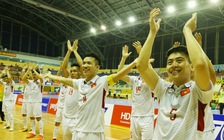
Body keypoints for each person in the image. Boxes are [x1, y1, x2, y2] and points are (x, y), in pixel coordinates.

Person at [137, 8, 214, 140]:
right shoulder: (163, 88)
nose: (173, 65)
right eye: (169, 62)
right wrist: (152, 32)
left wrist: (187, 30)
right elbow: (141, 65)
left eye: (179, 61)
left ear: (191, 67)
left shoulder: (198, 91)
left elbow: (200, 65)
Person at [117, 43, 155, 140]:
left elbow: (149, 68)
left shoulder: (151, 79)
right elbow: (120, 73)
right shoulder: (134, 79)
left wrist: (141, 52)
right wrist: (123, 58)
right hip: (134, 117)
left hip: (147, 118)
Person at [22, 64, 44, 140]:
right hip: (29, 102)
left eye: (35, 75)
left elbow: (40, 77)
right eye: (33, 75)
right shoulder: (30, 82)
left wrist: (34, 70)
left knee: (38, 118)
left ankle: (41, 134)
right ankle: (33, 132)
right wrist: (28, 70)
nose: (34, 76)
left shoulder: (41, 81)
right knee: (31, 118)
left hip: (37, 102)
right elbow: (23, 78)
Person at [0, 67, 15, 131]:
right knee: (5, 113)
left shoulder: (12, 83)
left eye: (6, 78)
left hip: (10, 100)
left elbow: (9, 78)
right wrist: (3, 71)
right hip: (5, 99)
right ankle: (8, 124)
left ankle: (12, 126)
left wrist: (7, 71)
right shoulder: (5, 83)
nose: (5, 79)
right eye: (4, 78)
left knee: (9, 113)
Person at [20, 64, 32, 132]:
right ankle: (25, 127)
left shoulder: (31, 82)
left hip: (29, 101)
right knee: (23, 114)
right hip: (24, 101)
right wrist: (24, 70)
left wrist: (29, 70)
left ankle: (32, 128)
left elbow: (30, 77)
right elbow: (22, 77)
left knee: (30, 115)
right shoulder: (26, 83)